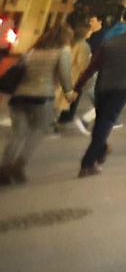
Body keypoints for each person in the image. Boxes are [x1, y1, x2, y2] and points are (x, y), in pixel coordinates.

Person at [74, 11, 126, 176]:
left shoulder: (110, 41)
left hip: (102, 84)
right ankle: (88, 162)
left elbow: (93, 66)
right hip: (123, 87)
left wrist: (78, 86)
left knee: (101, 119)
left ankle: (101, 149)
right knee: (105, 122)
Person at [1, 23, 75, 184]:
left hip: (19, 96)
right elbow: (64, 74)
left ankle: (4, 168)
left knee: (18, 132)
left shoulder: (33, 51)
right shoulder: (63, 50)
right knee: (38, 130)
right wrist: (69, 93)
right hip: (42, 97)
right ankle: (19, 165)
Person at [58, 16, 97, 129]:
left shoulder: (70, 43)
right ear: (85, 33)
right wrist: (89, 78)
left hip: (65, 74)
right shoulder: (84, 46)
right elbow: (83, 65)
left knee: (61, 100)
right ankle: (61, 123)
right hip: (75, 78)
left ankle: (58, 121)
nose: (91, 33)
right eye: (89, 31)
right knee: (71, 101)